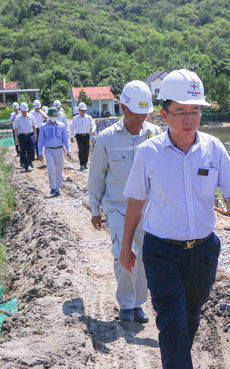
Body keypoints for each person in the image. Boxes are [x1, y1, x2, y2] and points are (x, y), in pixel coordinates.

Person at [120, 69, 230, 369]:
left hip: (203, 251)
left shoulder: (213, 148)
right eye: (182, 111)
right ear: (164, 115)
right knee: (173, 323)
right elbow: (135, 202)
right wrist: (126, 245)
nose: (190, 118)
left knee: (190, 317)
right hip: (161, 251)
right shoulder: (148, 153)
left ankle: (176, 363)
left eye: (196, 110)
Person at [88, 80, 162, 323]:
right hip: (117, 207)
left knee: (141, 257)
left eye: (145, 113)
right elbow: (97, 175)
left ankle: (138, 304)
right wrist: (95, 209)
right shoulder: (107, 138)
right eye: (136, 113)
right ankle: (126, 304)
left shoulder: (155, 135)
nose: (141, 118)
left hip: (145, 208)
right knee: (123, 253)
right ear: (123, 109)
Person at [38, 106, 70, 196]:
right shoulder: (43, 127)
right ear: (48, 116)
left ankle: (57, 188)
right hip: (49, 150)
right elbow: (40, 140)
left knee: (59, 170)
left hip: (59, 150)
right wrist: (40, 153)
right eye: (51, 115)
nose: (53, 117)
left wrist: (69, 150)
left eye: (55, 115)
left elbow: (65, 139)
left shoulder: (61, 126)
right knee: (51, 169)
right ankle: (52, 187)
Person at [70, 102, 97, 171]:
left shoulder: (88, 117)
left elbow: (93, 124)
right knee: (81, 149)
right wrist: (71, 136)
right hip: (79, 136)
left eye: (84, 110)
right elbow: (72, 127)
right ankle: (81, 164)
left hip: (86, 135)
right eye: (82, 110)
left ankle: (85, 163)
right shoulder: (76, 118)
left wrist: (93, 130)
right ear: (79, 110)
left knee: (86, 149)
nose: (83, 112)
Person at [12, 102, 37, 172]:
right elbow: (16, 129)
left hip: (30, 135)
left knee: (32, 150)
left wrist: (35, 134)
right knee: (23, 151)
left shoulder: (31, 116)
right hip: (22, 136)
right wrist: (16, 138)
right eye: (23, 111)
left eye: (25, 111)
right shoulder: (17, 118)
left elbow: (34, 126)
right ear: (21, 110)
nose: (24, 112)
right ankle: (26, 165)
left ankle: (29, 160)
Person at [31, 100, 48, 166]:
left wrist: (41, 113)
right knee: (37, 142)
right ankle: (38, 154)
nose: (37, 109)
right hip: (35, 129)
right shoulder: (31, 113)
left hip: (41, 128)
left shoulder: (42, 112)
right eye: (36, 107)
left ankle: (42, 153)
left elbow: (46, 118)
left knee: (42, 141)